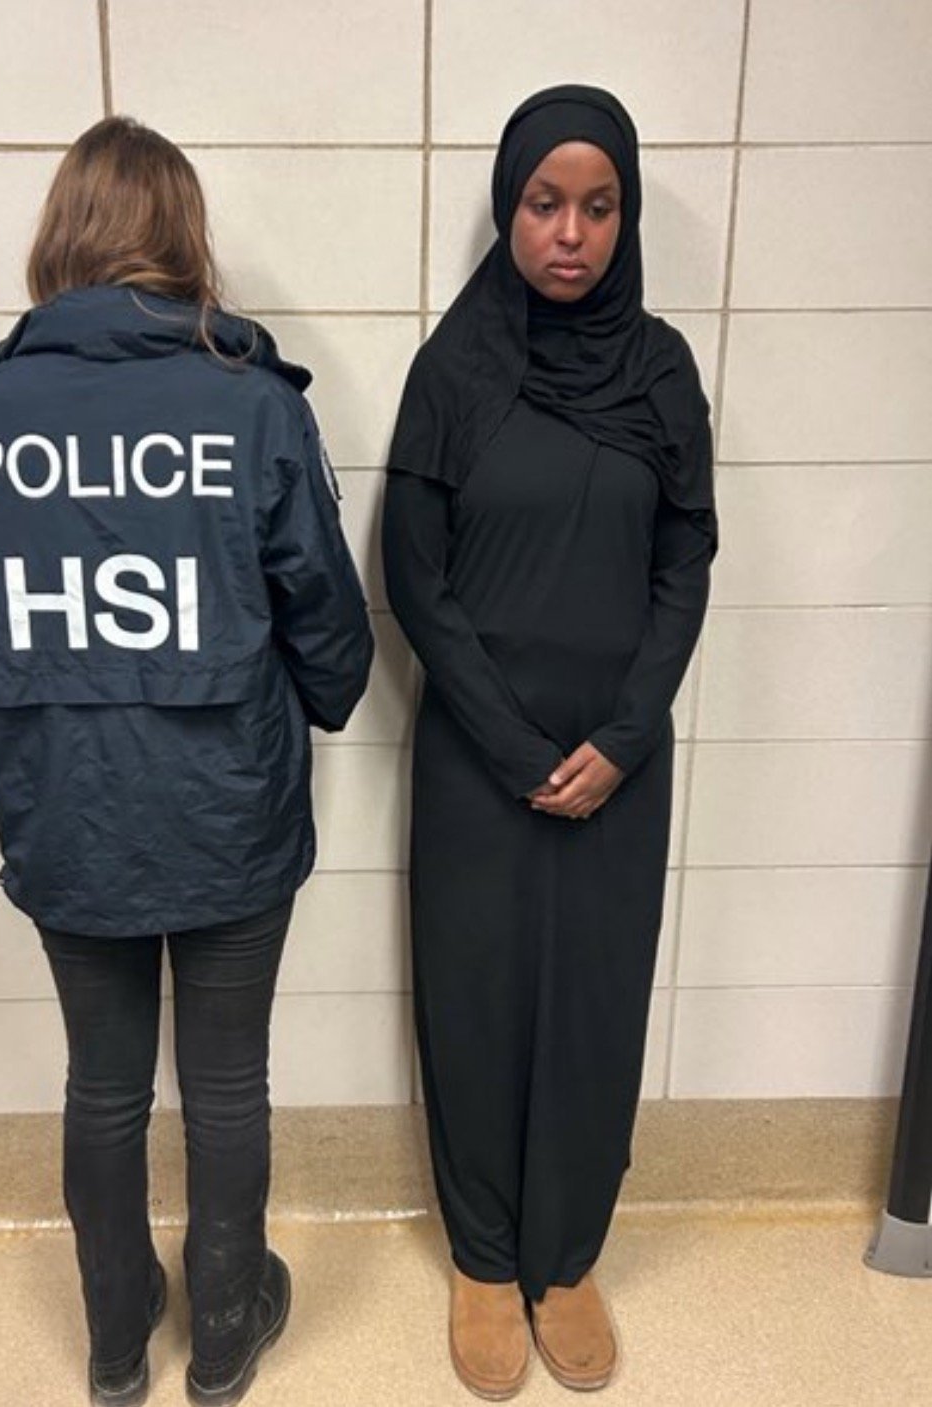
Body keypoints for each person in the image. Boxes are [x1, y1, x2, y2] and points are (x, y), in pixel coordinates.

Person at [0, 116, 373, 1407]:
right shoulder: (247, 405)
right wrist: (319, 705)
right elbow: (324, 619)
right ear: (182, 239)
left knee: (103, 1082)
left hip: (65, 808)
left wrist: (41, 710)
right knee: (227, 1081)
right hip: (227, 801)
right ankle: (225, 1335)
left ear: (61, 236)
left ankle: (117, 1343)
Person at [383, 85, 716, 1398]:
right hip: (479, 762)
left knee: (590, 1009)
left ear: (621, 219)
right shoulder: (452, 373)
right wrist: (516, 743)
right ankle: (480, 1259)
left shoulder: (662, 372)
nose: (567, 233)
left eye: (595, 207)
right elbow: (414, 577)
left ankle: (563, 1260)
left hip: (621, 768)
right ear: (505, 209)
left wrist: (624, 736)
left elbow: (683, 561)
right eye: (542, 204)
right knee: (473, 1007)